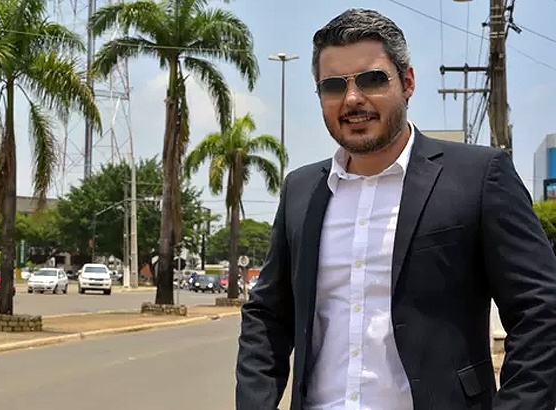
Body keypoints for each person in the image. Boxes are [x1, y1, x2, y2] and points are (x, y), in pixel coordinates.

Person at [235, 8, 556, 410]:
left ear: (407, 82)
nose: (353, 99)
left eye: (372, 79)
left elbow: (541, 311)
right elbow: (267, 315)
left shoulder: (478, 177)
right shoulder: (301, 191)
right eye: (333, 86)